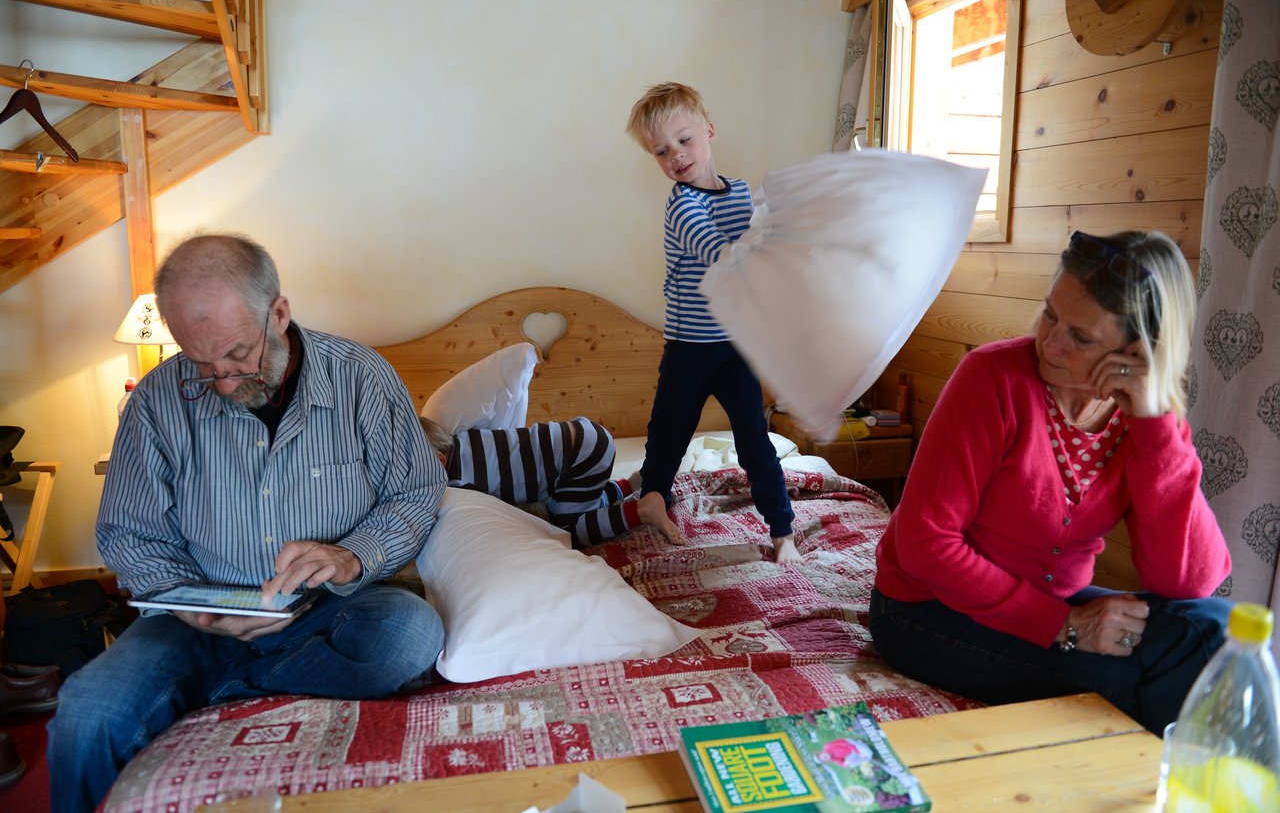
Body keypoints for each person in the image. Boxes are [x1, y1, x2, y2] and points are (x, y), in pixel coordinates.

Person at [48, 234, 447, 812]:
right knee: (86, 714)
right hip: (194, 620)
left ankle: (214, 690)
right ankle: (225, 675)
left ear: (279, 313)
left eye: (237, 354)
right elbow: (129, 532)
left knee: (410, 633)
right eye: (201, 363)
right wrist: (182, 600)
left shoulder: (362, 377)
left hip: (327, 608)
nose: (225, 381)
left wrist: (351, 555)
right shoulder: (159, 401)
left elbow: (415, 492)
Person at [869, 230, 1232, 734]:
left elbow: (1189, 582)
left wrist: (1156, 427)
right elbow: (924, 543)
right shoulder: (992, 378)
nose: (1051, 341)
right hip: (926, 613)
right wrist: (1064, 626)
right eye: (1050, 314)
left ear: (1137, 351)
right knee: (1169, 687)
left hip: (1051, 603)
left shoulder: (1147, 419)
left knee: (1217, 633)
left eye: (1081, 336)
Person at [625, 81, 800, 565]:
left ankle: (782, 529)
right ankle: (654, 495)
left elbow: (762, 239)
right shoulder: (683, 205)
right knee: (669, 435)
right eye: (661, 151)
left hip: (735, 345)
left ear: (709, 131)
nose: (675, 156)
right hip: (690, 347)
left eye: (684, 140)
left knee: (754, 438)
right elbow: (722, 257)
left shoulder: (741, 193)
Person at [420, 415, 685, 547]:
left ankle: (641, 510)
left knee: (568, 530)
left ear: (439, 461)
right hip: (583, 438)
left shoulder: (457, 484)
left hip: (578, 456)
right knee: (571, 501)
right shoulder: (468, 439)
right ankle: (630, 485)